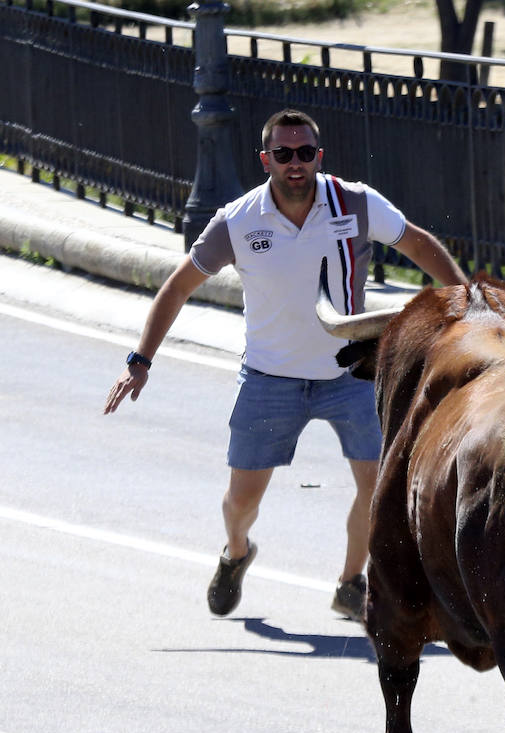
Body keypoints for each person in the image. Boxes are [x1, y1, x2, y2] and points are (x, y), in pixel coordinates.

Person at [104, 109, 466, 621]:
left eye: (304, 153)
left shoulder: (355, 203)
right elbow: (179, 285)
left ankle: (350, 582)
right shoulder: (238, 220)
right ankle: (235, 552)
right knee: (242, 499)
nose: (294, 163)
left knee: (377, 487)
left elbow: (419, 243)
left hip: (351, 375)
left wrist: (463, 304)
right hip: (270, 379)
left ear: (319, 156)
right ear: (266, 159)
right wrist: (140, 360)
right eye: (283, 153)